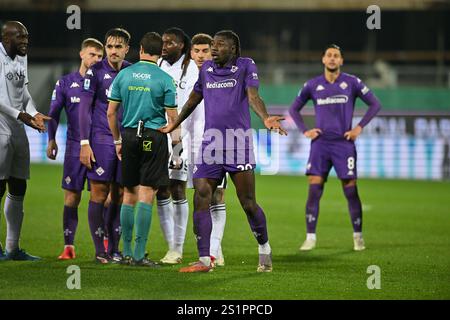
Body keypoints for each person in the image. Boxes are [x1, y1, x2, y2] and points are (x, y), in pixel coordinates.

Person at [160, 30, 286, 273]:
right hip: (211, 143)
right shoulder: (206, 69)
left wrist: (266, 117)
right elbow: (193, 100)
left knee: (247, 203)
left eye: (219, 45)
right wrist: (175, 124)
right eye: (212, 45)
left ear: (233, 49)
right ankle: (205, 259)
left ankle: (264, 248)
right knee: (201, 193)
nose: (213, 48)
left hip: (238, 142)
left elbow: (253, 97)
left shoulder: (245, 66)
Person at [288, 44, 382, 251]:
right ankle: (310, 237)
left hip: (343, 144)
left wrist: (358, 127)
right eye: (329, 55)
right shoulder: (312, 85)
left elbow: (375, 104)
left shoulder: (352, 82)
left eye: (336, 56)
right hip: (320, 144)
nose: (332, 59)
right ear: (323, 59)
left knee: (350, 189)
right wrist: (305, 130)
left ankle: (358, 236)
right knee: (314, 189)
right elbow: (294, 109)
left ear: (341, 61)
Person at [107, 31, 178, 267]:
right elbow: (173, 117)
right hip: (153, 135)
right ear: (161, 54)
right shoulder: (164, 78)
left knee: (129, 194)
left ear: (140, 50)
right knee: (147, 194)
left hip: (128, 135)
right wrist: (173, 140)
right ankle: (139, 254)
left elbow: (111, 113)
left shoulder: (124, 75)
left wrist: (118, 140)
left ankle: (125, 252)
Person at [46, 38, 104, 260]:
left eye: (100, 56)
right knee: (72, 198)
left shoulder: (105, 83)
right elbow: (53, 111)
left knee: (103, 197)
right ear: (81, 54)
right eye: (92, 54)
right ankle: (69, 246)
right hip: (73, 149)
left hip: (100, 147)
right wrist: (51, 139)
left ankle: (105, 244)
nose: (96, 60)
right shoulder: (65, 83)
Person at [79, 28, 131, 263]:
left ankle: (115, 249)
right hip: (100, 140)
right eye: (109, 46)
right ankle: (100, 250)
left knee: (119, 194)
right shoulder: (95, 72)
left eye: (118, 47)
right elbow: (84, 109)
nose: (112, 51)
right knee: (99, 194)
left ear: (126, 49)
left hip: (126, 141)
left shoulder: (132, 72)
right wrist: (84, 143)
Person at [0, 21, 51, 261]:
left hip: (18, 129)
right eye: (21, 38)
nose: (26, 42)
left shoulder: (22, 58)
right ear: (6, 38)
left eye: (27, 37)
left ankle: (12, 248)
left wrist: (34, 112)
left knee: (19, 185)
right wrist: (21, 115)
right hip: (0, 129)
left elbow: (25, 94)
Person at [156, 27, 198, 265]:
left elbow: (187, 105)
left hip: (180, 137)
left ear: (182, 45)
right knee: (160, 190)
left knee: (177, 188)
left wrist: (178, 141)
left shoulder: (191, 68)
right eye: (163, 41)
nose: (165, 45)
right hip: (157, 133)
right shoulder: (158, 64)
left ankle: (177, 248)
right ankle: (170, 246)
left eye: (170, 42)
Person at [189, 33, 227, 267]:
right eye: (197, 51)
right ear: (190, 52)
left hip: (216, 143)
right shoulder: (181, 75)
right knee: (183, 195)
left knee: (217, 196)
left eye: (206, 50)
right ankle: (177, 249)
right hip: (186, 143)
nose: (202, 55)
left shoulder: (221, 71)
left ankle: (215, 250)